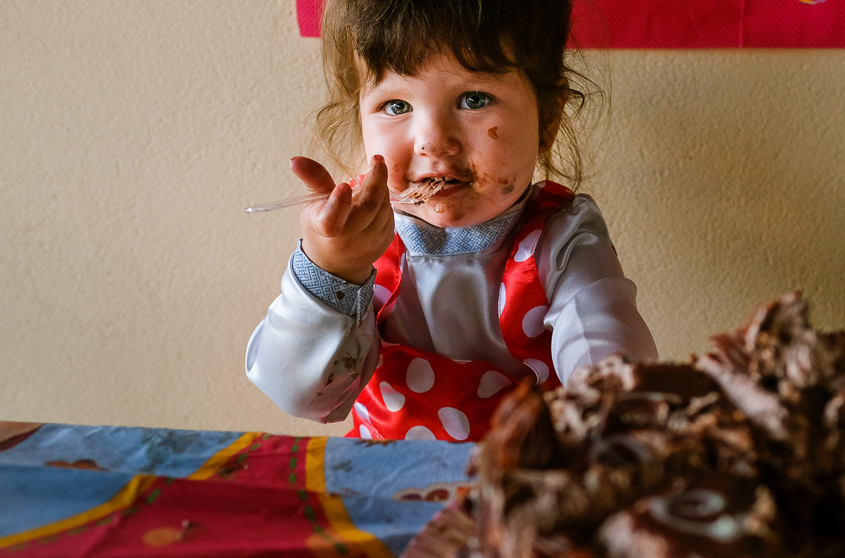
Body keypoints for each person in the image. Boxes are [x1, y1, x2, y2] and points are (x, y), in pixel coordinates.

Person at [246, 0, 657, 442]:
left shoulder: (562, 241)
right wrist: (331, 272)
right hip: (384, 493)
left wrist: (618, 426)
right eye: (397, 105)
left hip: (528, 492)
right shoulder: (363, 246)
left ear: (548, 120)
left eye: (473, 99)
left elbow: (614, 371)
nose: (433, 142)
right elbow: (304, 398)